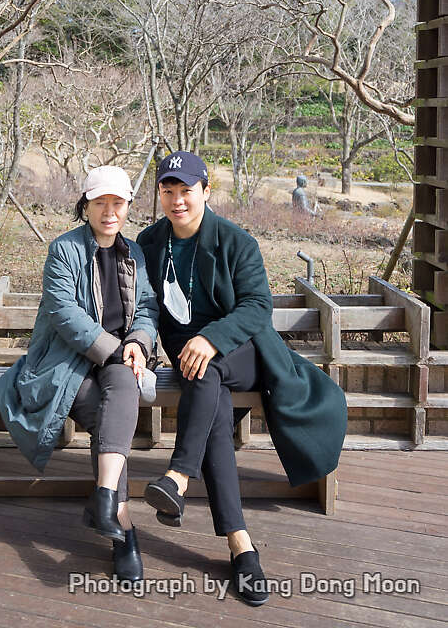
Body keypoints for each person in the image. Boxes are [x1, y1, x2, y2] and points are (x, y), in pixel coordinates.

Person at [136, 151, 347, 607]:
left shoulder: (236, 241)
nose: (177, 201)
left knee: (204, 368)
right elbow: (146, 305)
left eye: (186, 191)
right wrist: (141, 344)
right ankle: (240, 545)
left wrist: (211, 339)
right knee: (206, 389)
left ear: (206, 192)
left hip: (244, 349)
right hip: (190, 357)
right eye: (168, 192)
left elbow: (256, 307)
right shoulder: (150, 242)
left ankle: (178, 475)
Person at [0, 164, 159, 583]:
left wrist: (138, 343)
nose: (109, 212)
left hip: (118, 359)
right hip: (67, 362)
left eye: (117, 203)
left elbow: (149, 307)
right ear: (85, 205)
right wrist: (117, 349)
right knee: (111, 420)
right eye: (100, 202)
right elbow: (64, 313)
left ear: (127, 208)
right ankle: (123, 529)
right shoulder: (63, 250)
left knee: (121, 388)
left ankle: (105, 498)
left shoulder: (134, 253)